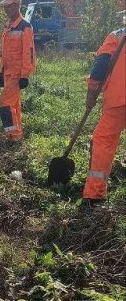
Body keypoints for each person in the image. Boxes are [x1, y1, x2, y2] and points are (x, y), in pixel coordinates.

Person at [82, 27, 125, 207]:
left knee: (103, 140)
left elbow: (100, 66)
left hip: (119, 98)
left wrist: (91, 92)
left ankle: (95, 194)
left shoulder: (117, 35)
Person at [0, 0, 36, 142]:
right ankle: (16, 135)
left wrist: (25, 75)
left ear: (17, 6)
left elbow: (29, 53)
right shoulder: (8, 27)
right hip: (8, 74)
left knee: (4, 103)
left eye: (9, 6)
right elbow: (5, 53)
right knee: (13, 106)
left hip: (17, 75)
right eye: (4, 7)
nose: (6, 9)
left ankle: (12, 135)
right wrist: (1, 72)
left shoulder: (25, 26)